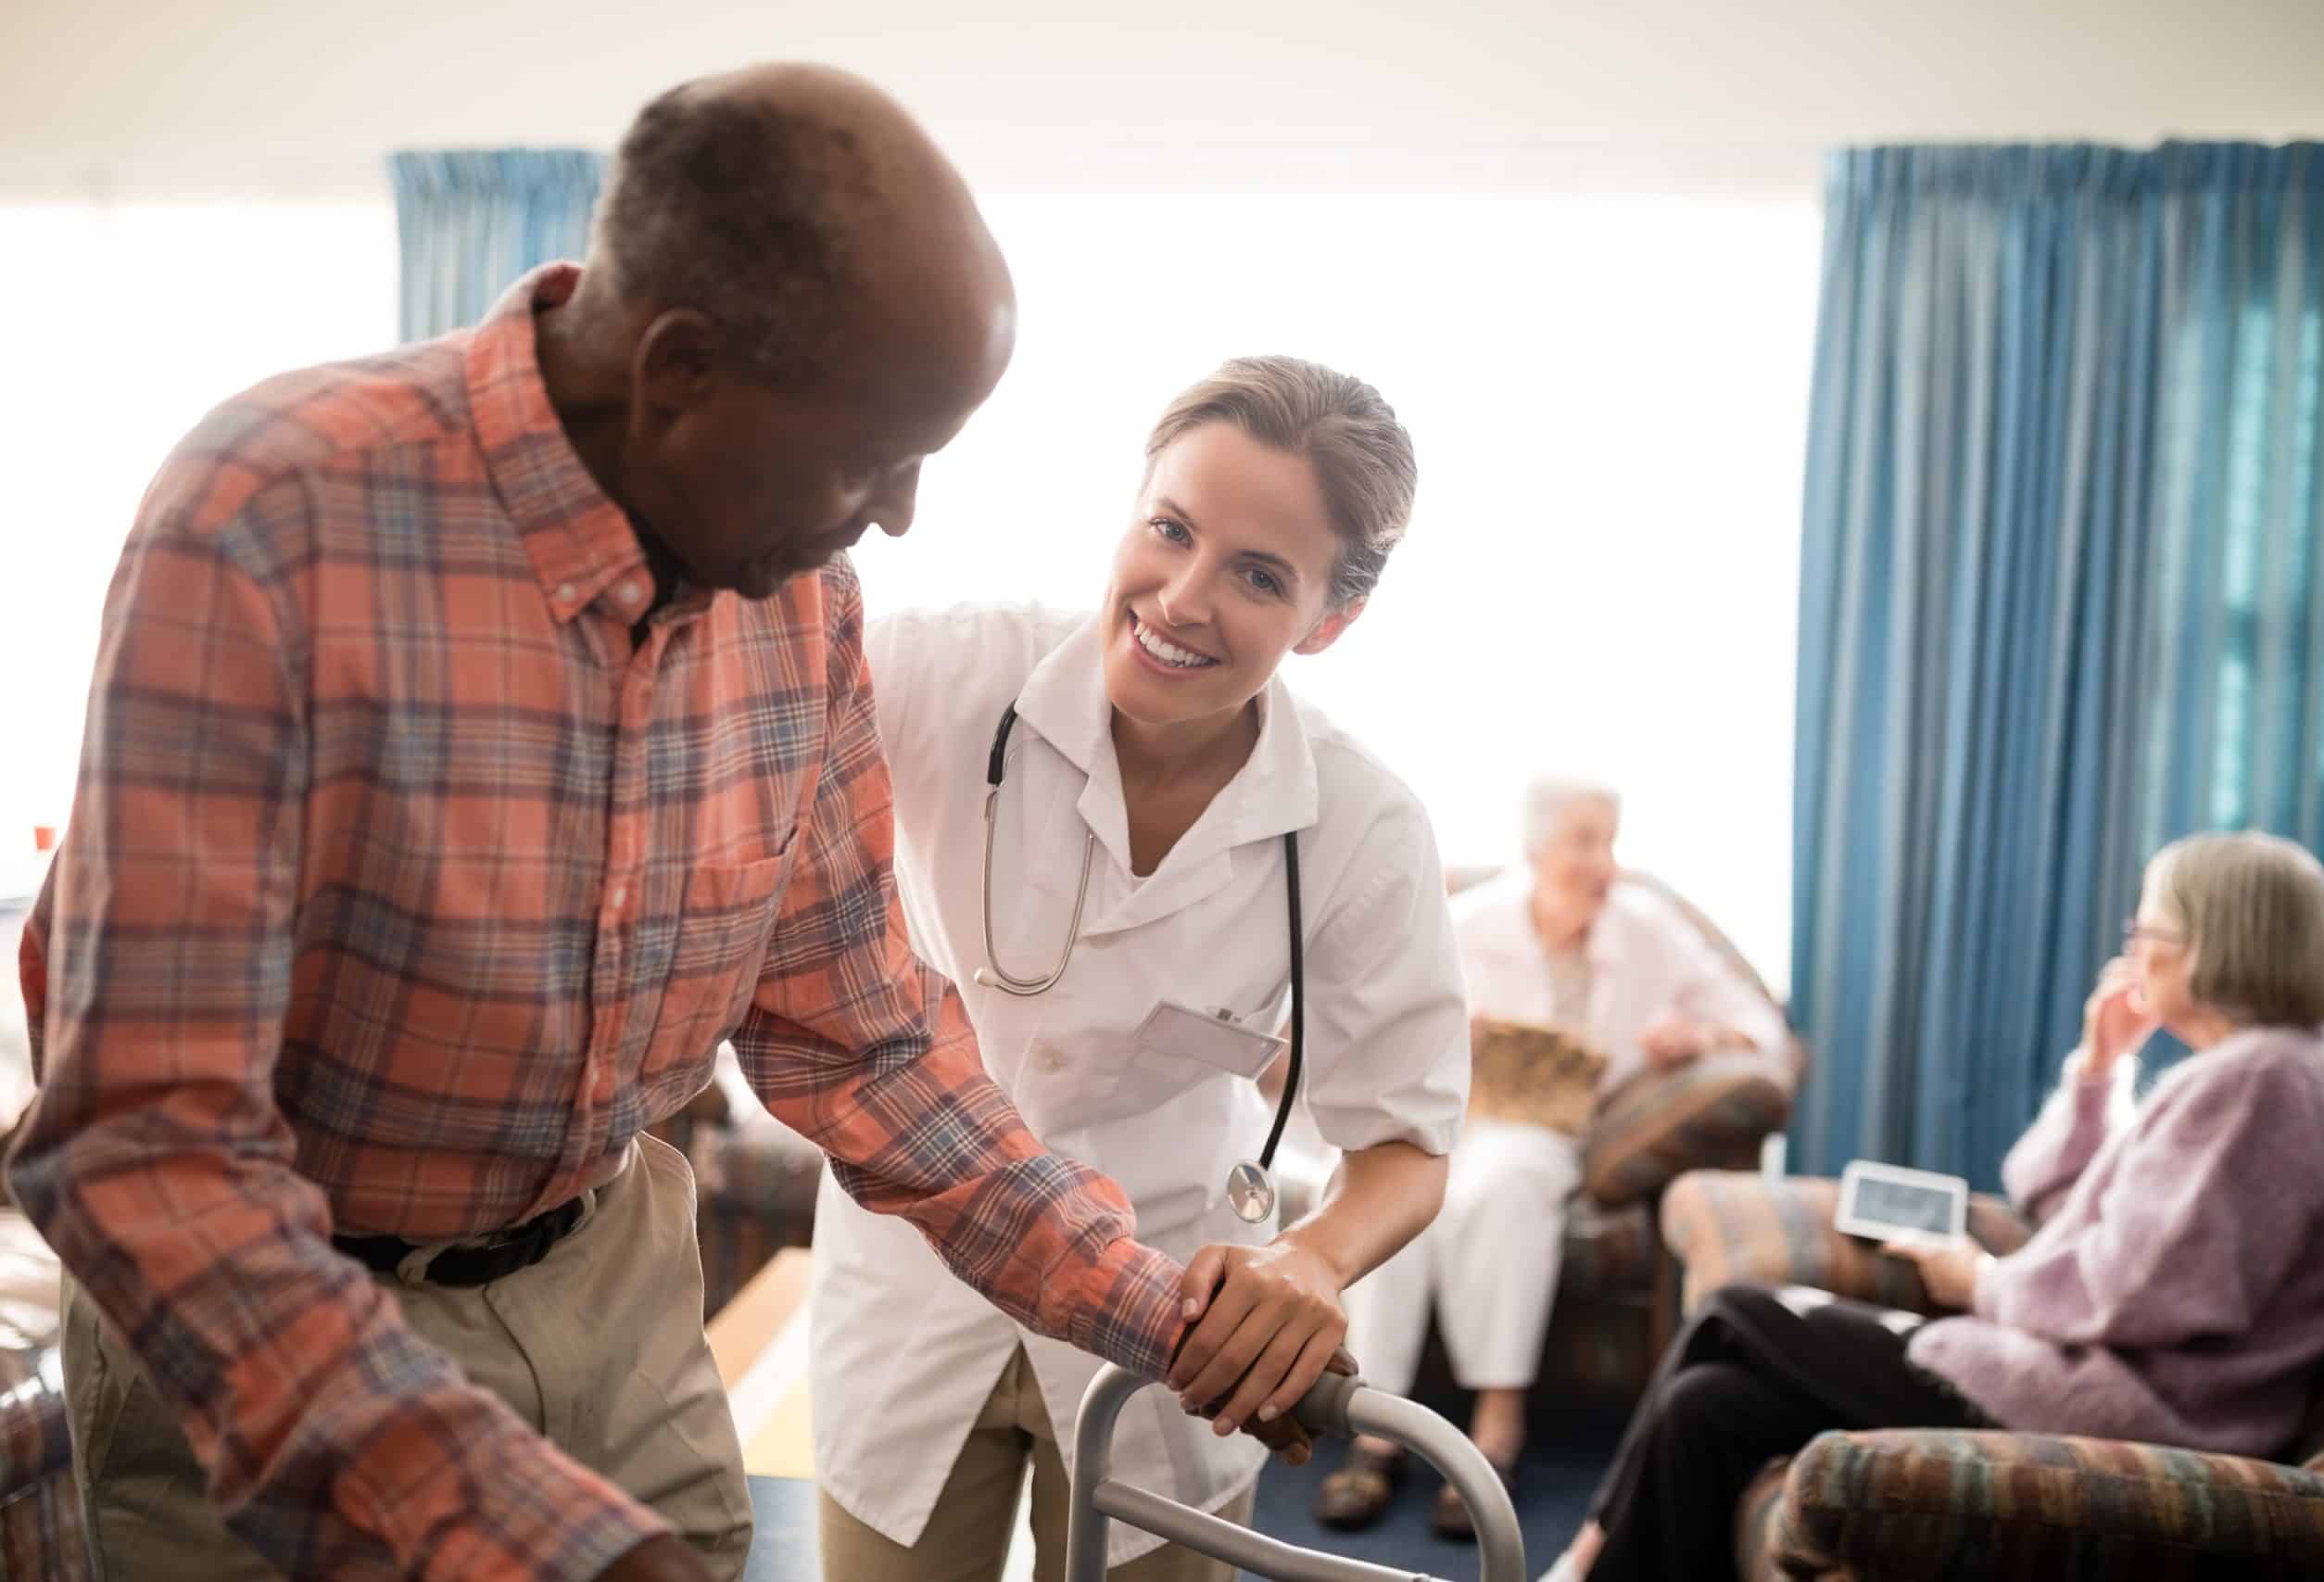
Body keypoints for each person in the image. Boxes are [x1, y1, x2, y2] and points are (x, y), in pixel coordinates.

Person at [5, 65, 1294, 1582]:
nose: (899, 515)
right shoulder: (271, 523)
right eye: (874, 453)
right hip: (278, 1334)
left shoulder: (795, 594)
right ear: (677, 373)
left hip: (615, 1290)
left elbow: (865, 1043)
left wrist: (1161, 1310)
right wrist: (555, 1547)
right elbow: (148, 1154)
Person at [812, 356, 1471, 1582]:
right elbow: (736, 706)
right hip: (910, 1290)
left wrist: (1311, 1258)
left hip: (1162, 1316)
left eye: (1259, 574)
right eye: (1170, 528)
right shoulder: (938, 674)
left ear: (1329, 620)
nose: (1181, 595)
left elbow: (1408, 1143)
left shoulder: (1364, 825)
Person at [1538, 829, 2324, 1582]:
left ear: (2214, 947)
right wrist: (2100, 1065)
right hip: (2106, 1382)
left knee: (1734, 1311)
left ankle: (1579, 1559)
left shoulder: (2258, 1087)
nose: (2136, 953)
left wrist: (1979, 1279)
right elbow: (2053, 1196)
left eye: (2149, 931)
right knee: (1706, 1407)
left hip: (2129, 1408)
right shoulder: (2296, 1074)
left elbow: (2135, 1290)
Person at [1323, 776, 1788, 1534]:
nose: (1601, 860)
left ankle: (1496, 1430)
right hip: (1453, 1113)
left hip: (1550, 1130)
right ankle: (1376, 1434)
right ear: (1537, 847)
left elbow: (1761, 1028)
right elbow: (1369, 1018)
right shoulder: (1468, 921)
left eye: (1609, 839)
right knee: (1397, 1199)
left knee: (1503, 1189)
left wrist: (1695, 1037)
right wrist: (1447, 1030)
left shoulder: (1647, 928)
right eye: (1583, 839)